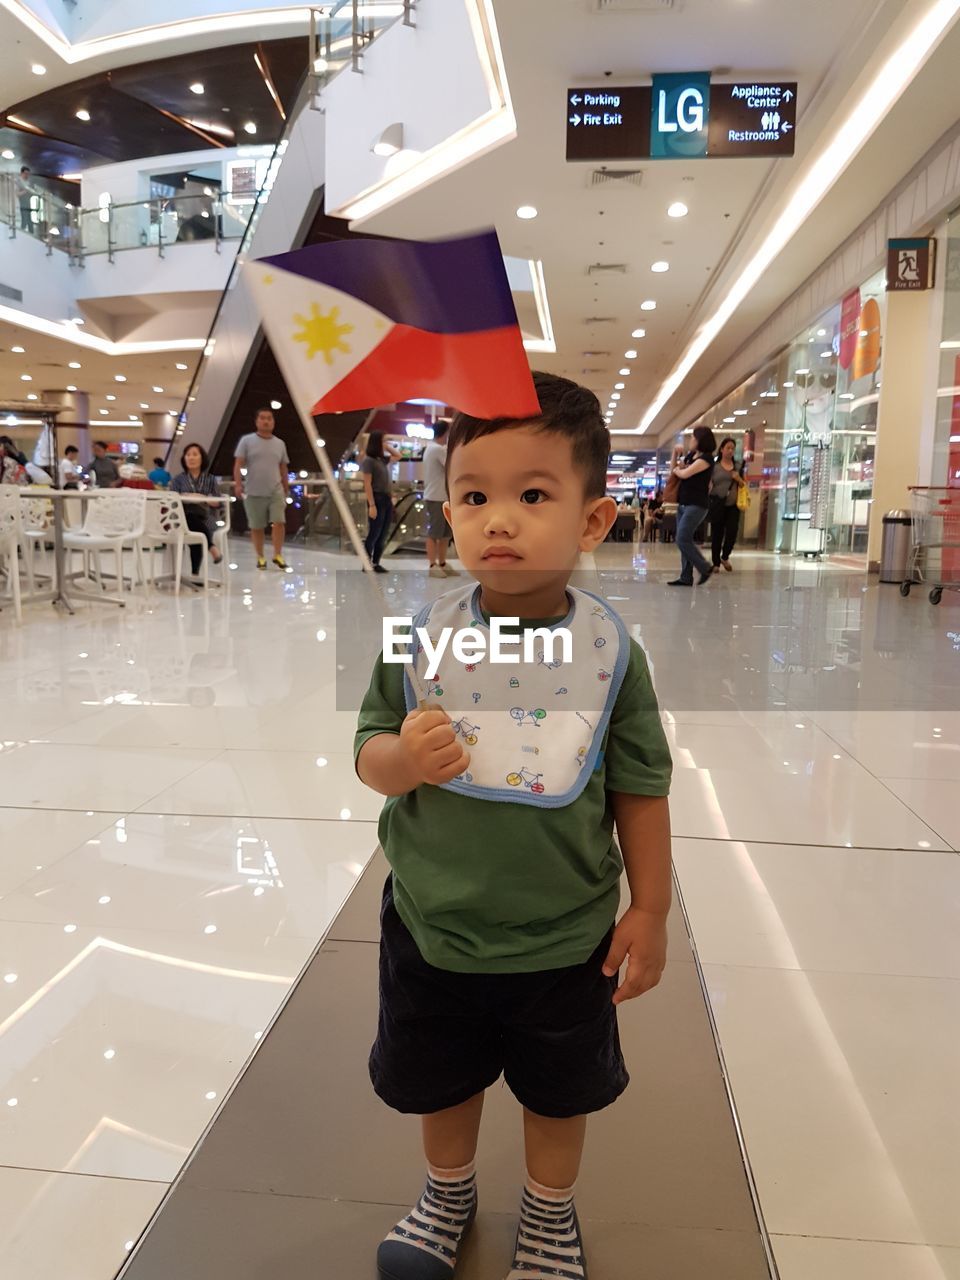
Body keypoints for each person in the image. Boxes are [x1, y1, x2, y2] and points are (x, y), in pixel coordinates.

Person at [355, 371, 673, 1280]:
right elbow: (366, 754)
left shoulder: (616, 654)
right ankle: (447, 1192)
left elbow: (641, 788)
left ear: (593, 520)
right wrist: (404, 761)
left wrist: (648, 909)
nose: (499, 518)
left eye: (533, 495)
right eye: (474, 495)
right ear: (447, 512)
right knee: (439, 1079)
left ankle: (549, 1214)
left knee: (557, 1092)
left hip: (566, 935)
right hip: (432, 923)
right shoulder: (409, 635)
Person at [233, 407, 290, 570]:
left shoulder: (280, 443)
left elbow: (283, 467)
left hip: (275, 490)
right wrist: (238, 484)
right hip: (253, 490)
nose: (266, 421)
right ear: (257, 421)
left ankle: (277, 554)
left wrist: (285, 486)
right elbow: (238, 464)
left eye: (269, 418)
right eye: (263, 418)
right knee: (256, 526)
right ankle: (260, 556)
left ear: (273, 422)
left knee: (279, 521)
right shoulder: (247, 441)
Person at [668, 426, 716, 587]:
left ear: (701, 440)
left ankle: (704, 567)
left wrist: (679, 469)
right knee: (684, 539)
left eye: (694, 438)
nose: (691, 441)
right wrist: (675, 455)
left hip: (697, 505)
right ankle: (686, 576)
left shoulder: (706, 459)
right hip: (683, 504)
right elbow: (673, 471)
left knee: (682, 538)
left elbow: (683, 474)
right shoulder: (691, 456)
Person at [171, 442, 223, 576]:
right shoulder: (178, 480)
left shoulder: (210, 479)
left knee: (195, 525)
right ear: (184, 459)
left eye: (195, 454)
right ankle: (210, 549)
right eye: (188, 455)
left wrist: (204, 498)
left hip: (206, 517)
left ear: (202, 458)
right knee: (189, 518)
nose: (191, 458)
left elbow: (218, 503)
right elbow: (171, 500)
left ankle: (195, 573)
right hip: (182, 517)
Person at [421, 419, 459, 579]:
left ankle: (442, 563)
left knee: (444, 534)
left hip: (441, 496)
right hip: (436, 497)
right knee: (435, 533)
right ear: (445, 432)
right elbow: (454, 465)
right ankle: (432, 564)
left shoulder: (432, 448)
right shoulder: (437, 449)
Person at [360, 430, 400, 574]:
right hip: (376, 498)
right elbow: (367, 484)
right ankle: (367, 562)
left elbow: (398, 455)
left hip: (386, 498)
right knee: (374, 532)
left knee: (383, 533)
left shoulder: (381, 460)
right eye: (383, 441)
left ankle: (376, 562)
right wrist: (371, 505)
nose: (386, 444)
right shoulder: (368, 461)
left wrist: (386, 446)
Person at [710, 437, 747, 572]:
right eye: (728, 448)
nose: (730, 451)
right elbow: (710, 483)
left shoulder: (738, 466)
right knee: (717, 534)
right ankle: (715, 563)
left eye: (733, 448)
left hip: (733, 505)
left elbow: (743, 484)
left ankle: (725, 556)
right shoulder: (715, 467)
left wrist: (738, 479)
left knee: (732, 532)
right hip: (718, 503)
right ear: (722, 449)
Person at [16, 166, 33, 233]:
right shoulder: (18, 182)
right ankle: (22, 233)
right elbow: (17, 193)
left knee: (29, 221)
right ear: (22, 173)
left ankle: (31, 233)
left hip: (28, 203)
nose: (27, 175)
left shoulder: (29, 183)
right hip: (22, 203)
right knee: (24, 220)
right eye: (25, 173)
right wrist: (25, 191)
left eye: (28, 174)